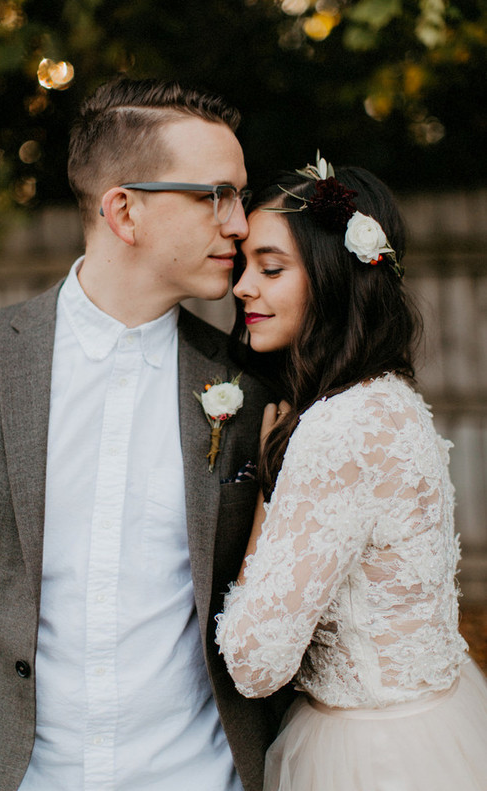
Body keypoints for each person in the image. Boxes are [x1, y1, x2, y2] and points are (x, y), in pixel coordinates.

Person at [0, 78, 286, 791]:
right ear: (124, 210)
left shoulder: (253, 389)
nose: (240, 223)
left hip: (199, 775)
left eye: (239, 196)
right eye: (216, 195)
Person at [215, 156, 487, 790]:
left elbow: (256, 662)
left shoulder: (341, 428)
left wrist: (262, 496)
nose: (242, 288)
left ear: (336, 275)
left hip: (370, 757)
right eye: (243, 266)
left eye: (271, 267)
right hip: (432, 725)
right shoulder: (388, 398)